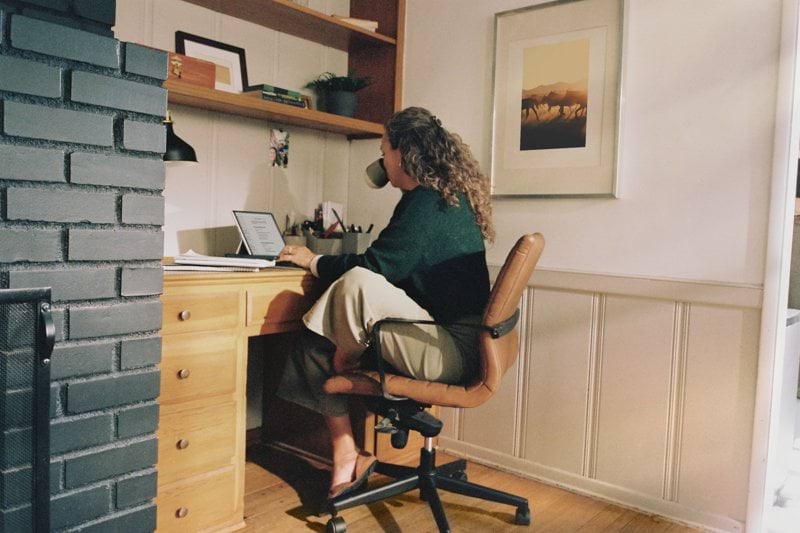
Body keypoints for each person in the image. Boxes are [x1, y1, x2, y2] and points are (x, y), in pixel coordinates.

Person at [276, 106, 494, 500]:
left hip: (449, 351)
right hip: (457, 341)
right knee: (315, 338)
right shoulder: (444, 197)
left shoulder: (427, 203)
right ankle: (347, 449)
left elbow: (376, 267)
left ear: (402, 154)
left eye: (384, 149)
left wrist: (313, 260)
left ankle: (347, 451)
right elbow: (402, 269)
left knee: (339, 306)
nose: (381, 159)